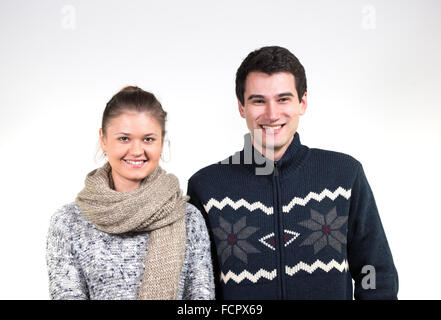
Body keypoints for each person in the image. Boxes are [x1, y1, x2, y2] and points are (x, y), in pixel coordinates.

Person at [187, 46, 398, 300]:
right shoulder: (207, 187)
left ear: (303, 103)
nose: (272, 114)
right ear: (242, 107)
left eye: (283, 99)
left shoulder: (344, 175)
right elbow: (196, 289)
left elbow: (375, 272)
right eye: (258, 100)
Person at [46, 86, 214, 300]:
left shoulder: (187, 218)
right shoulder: (68, 222)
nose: (136, 151)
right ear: (104, 139)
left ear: (162, 141)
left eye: (148, 139)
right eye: (124, 138)